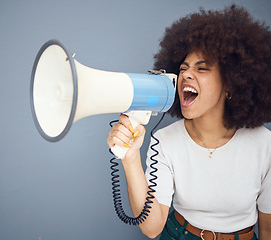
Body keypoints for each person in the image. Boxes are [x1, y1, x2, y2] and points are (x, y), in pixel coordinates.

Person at [107, 5, 271, 240]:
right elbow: (152, 228)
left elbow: (268, 229)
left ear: (231, 85)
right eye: (183, 69)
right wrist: (130, 158)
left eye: (201, 68)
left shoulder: (265, 145)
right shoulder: (164, 141)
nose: (186, 75)